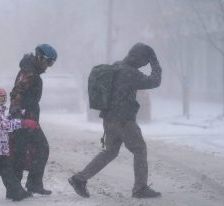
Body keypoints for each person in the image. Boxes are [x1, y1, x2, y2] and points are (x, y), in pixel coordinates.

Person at [68, 43, 162, 198]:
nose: (143, 64)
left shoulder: (116, 67)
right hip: (124, 120)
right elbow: (154, 81)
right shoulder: (130, 73)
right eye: (144, 61)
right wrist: (155, 61)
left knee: (110, 152)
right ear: (139, 58)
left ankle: (79, 178)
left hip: (109, 118)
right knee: (139, 149)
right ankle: (140, 188)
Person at [9, 44, 57, 195]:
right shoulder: (30, 73)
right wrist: (18, 111)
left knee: (23, 150)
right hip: (24, 117)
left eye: (51, 64)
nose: (48, 66)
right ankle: (18, 188)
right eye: (48, 62)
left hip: (27, 116)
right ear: (39, 57)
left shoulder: (30, 70)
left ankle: (24, 186)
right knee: (35, 149)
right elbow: (17, 91)